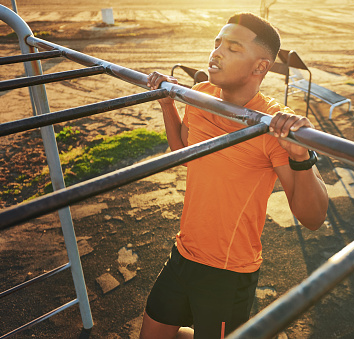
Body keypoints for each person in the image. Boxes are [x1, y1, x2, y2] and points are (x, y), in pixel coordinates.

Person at [140, 12, 328, 339]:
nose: (217, 52)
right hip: (182, 254)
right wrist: (168, 103)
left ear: (260, 67)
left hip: (227, 273)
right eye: (217, 43)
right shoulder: (200, 95)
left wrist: (300, 156)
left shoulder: (270, 124)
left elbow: (312, 218)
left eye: (233, 47)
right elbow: (184, 150)